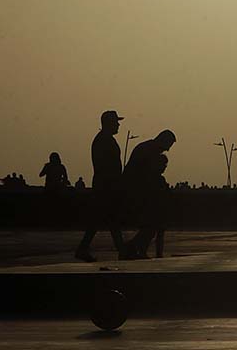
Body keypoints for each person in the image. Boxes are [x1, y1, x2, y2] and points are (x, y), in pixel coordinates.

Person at [75, 110, 127, 262]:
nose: (118, 125)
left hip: (105, 186)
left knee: (105, 220)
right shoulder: (104, 141)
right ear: (109, 123)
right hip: (106, 186)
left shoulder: (104, 139)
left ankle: (120, 250)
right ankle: (121, 250)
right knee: (107, 220)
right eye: (116, 122)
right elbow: (107, 167)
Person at [122, 129, 176, 258]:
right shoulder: (150, 151)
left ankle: (136, 249)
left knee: (150, 226)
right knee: (150, 226)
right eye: (168, 146)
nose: (167, 150)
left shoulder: (147, 148)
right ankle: (133, 248)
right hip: (136, 191)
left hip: (138, 190)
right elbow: (146, 176)